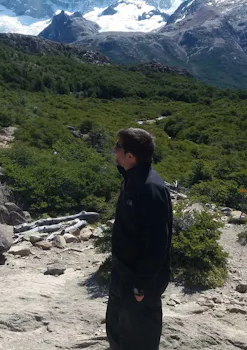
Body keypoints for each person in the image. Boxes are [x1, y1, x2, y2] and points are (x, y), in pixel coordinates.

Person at [106, 128, 173, 350]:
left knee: (139, 339)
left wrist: (141, 287)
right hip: (123, 276)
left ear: (130, 156)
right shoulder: (131, 179)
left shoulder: (150, 188)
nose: (114, 151)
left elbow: (156, 244)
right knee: (117, 332)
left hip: (139, 283)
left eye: (118, 147)